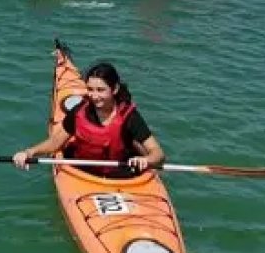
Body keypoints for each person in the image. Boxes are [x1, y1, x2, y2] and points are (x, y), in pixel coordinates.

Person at [12, 62, 165, 178]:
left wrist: (147, 160)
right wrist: (29, 152)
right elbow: (55, 143)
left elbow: (158, 153)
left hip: (120, 175)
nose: (94, 96)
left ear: (115, 89)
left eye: (100, 90)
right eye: (90, 89)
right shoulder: (79, 111)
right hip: (81, 172)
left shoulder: (129, 116)